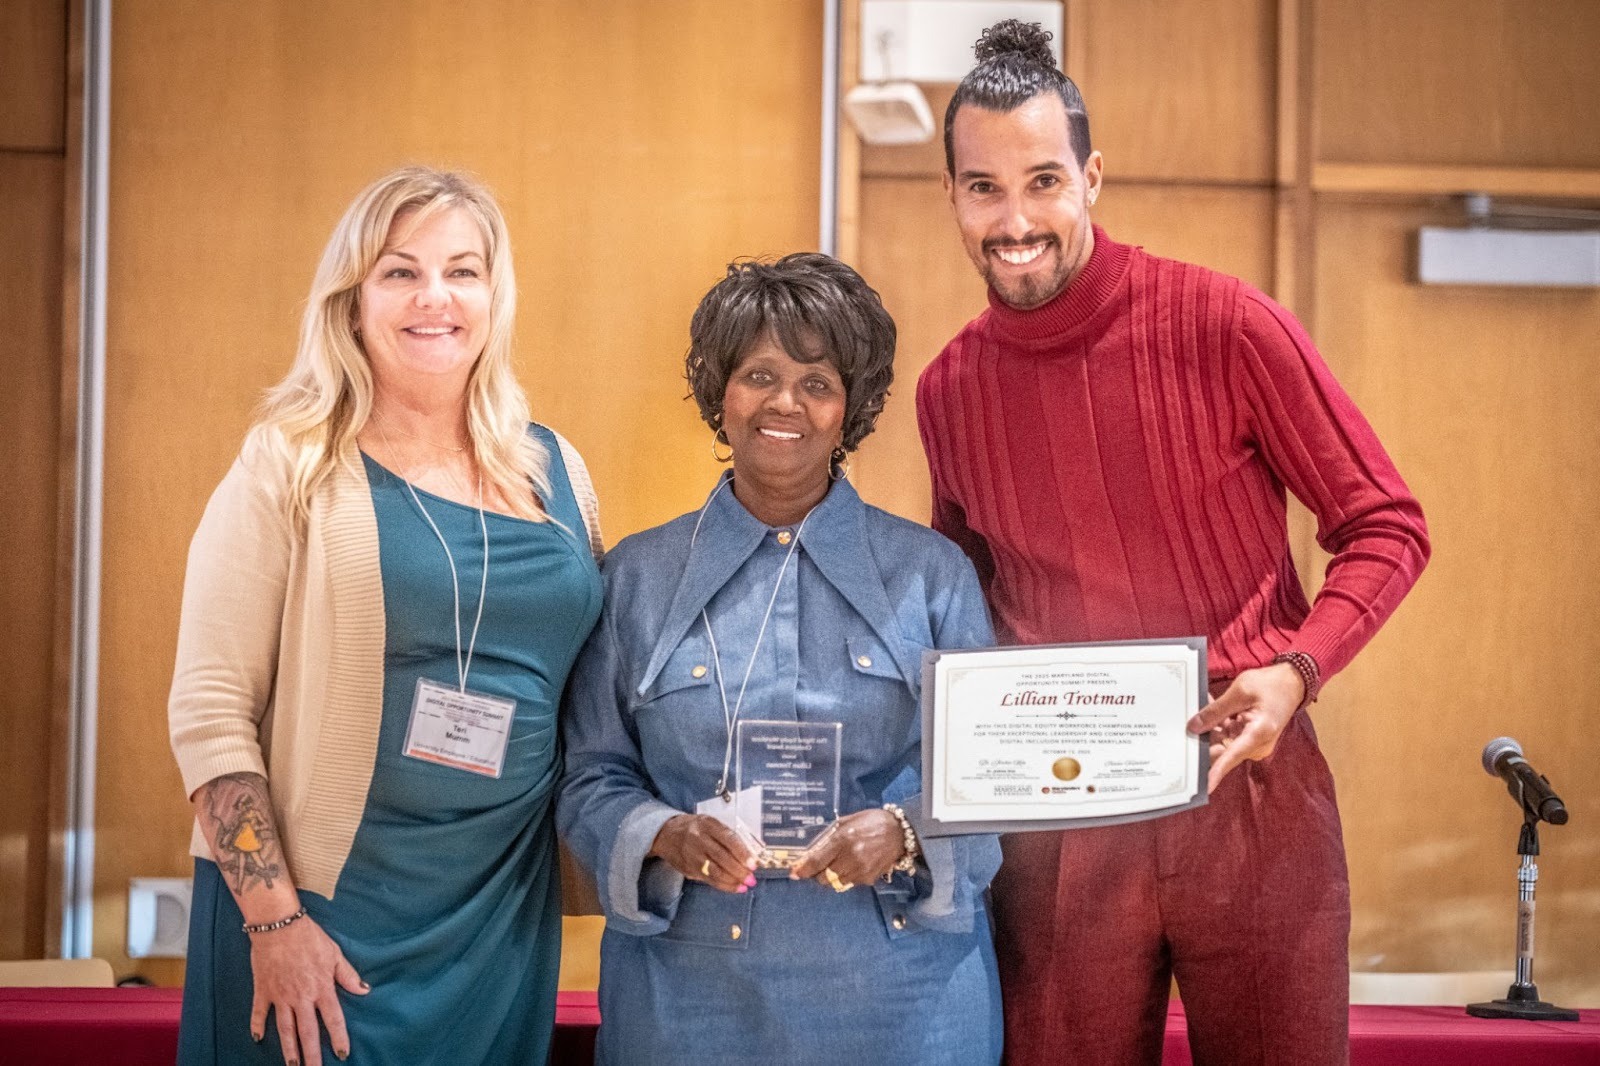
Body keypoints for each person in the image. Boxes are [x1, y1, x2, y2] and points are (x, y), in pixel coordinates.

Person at [915, 21, 1431, 1066]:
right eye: (982, 188)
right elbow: (958, 611)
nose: (1013, 220)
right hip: (1056, 829)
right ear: (953, 196)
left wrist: (1296, 670)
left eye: (1042, 181)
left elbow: (1384, 524)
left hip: (1249, 791)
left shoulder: (1227, 325)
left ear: (1092, 178)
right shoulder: (947, 391)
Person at [168, 166, 604, 1066]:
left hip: (496, 918)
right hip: (318, 924)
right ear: (353, 299)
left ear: (496, 292)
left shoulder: (555, 467)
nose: (434, 297)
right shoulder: (287, 463)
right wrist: (274, 920)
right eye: (400, 271)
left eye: (463, 270)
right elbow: (209, 714)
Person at [558, 253, 1004, 1064]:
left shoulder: (932, 577)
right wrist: (662, 833)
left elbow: (995, 784)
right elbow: (589, 777)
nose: (785, 402)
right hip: (687, 1000)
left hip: (903, 997)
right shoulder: (635, 577)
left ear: (850, 408)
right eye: (760, 374)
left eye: (818, 382)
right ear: (720, 393)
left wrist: (905, 832)